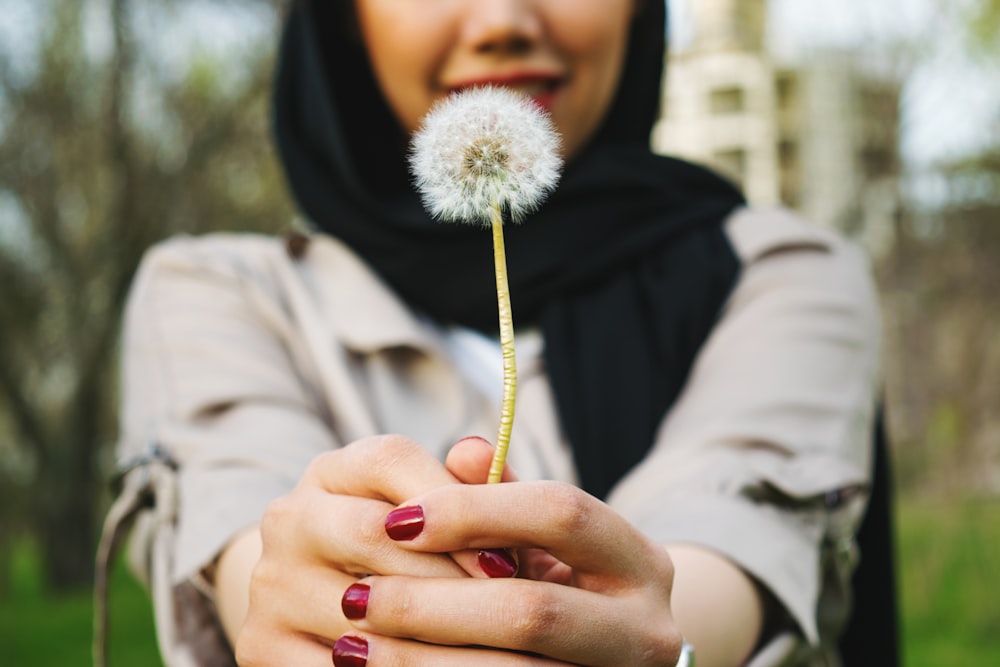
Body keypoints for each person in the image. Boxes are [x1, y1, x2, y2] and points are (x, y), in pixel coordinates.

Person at [102, 1, 881, 665]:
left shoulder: (780, 270)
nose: (504, 19)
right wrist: (293, 593)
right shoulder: (218, 294)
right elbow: (250, 552)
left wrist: (654, 639)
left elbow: (726, 550)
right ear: (344, 17)